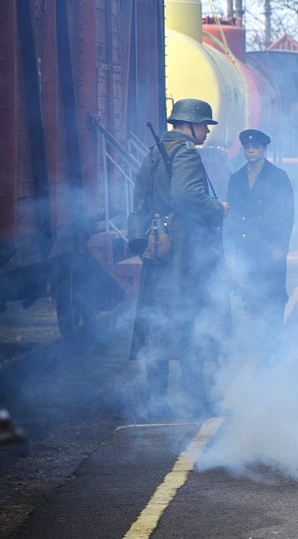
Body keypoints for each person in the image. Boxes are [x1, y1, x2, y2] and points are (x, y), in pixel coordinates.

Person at [129, 98, 230, 419]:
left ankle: (157, 402)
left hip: (158, 250)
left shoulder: (155, 153)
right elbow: (186, 196)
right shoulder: (184, 152)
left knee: (157, 326)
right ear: (189, 125)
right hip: (183, 255)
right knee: (191, 322)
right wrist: (217, 208)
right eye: (203, 125)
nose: (205, 132)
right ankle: (197, 400)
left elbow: (140, 200)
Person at [226, 129, 294, 329]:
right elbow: (232, 215)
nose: (251, 151)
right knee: (250, 293)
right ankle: (257, 336)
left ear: (264, 150)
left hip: (271, 246)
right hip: (247, 246)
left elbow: (287, 215)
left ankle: (274, 338)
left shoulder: (279, 177)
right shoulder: (236, 178)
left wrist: (281, 246)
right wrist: (231, 247)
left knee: (273, 293)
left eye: (255, 147)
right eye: (247, 147)